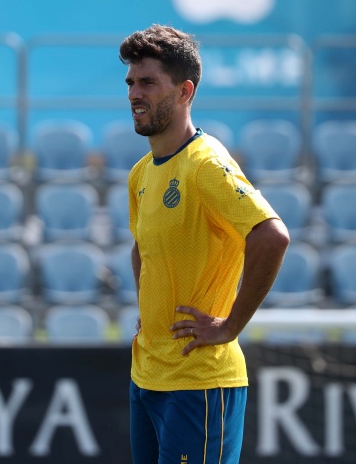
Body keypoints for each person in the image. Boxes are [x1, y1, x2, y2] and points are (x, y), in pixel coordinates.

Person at [119, 24, 290, 464]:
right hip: (149, 377)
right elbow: (141, 248)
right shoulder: (141, 173)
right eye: (131, 83)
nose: (135, 93)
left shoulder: (206, 165)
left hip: (199, 380)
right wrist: (149, 312)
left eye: (148, 82)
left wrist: (230, 325)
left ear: (184, 91)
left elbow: (271, 235)